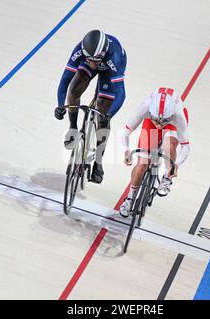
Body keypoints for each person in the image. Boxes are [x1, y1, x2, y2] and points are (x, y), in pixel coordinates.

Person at [54, 30, 127, 184]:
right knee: (74, 89)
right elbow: (64, 82)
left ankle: (98, 162)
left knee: (103, 111)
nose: (93, 63)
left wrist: (109, 115)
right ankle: (73, 127)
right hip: (91, 62)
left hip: (109, 68)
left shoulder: (114, 56)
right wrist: (61, 106)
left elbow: (121, 93)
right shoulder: (80, 50)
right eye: (90, 60)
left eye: (95, 60)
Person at [119, 87, 190, 217]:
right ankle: (130, 198)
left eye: (162, 122)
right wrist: (126, 151)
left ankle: (167, 178)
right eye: (157, 121)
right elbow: (126, 133)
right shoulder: (145, 108)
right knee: (142, 164)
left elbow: (186, 147)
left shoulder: (178, 115)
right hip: (151, 121)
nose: (159, 125)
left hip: (172, 124)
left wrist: (176, 166)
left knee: (169, 146)